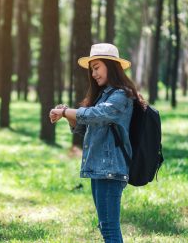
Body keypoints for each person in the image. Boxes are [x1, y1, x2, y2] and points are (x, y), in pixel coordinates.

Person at [49, 43, 146, 242]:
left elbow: (97, 114)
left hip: (111, 170)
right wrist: (69, 117)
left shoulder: (122, 95)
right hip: (99, 168)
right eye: (91, 69)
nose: (93, 74)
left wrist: (67, 111)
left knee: (110, 228)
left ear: (111, 66)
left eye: (97, 67)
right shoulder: (104, 95)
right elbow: (86, 127)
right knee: (105, 226)